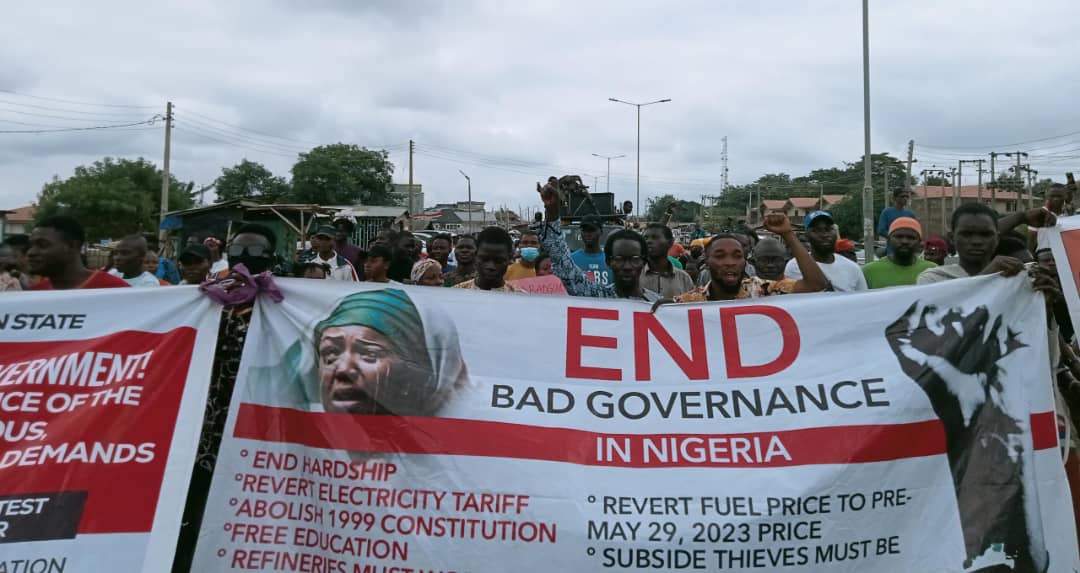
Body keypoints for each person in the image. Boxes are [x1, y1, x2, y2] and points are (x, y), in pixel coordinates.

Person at [314, 289, 468, 417]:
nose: (343, 370)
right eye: (331, 354)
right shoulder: (304, 436)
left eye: (370, 355)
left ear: (419, 371)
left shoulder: (463, 440)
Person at [537, 180, 658, 301]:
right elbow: (562, 262)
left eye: (634, 259)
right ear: (609, 261)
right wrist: (552, 212)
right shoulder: (598, 297)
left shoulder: (658, 305)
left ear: (644, 261)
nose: (627, 266)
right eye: (619, 259)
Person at [675, 214, 828, 302]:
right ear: (706, 262)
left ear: (745, 261)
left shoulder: (763, 289)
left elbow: (816, 285)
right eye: (720, 256)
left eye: (737, 256)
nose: (730, 262)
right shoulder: (689, 302)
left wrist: (787, 234)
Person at [917, 203, 1055, 284]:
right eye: (966, 234)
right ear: (952, 238)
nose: (976, 241)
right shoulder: (932, 279)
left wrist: (1046, 309)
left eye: (986, 234)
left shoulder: (1015, 280)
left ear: (997, 238)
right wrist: (986, 277)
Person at [29, 216, 128, 290]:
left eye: (42, 244)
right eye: (30, 245)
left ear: (72, 246)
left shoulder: (116, 290)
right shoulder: (35, 293)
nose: (31, 252)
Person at [785, 211, 866, 292]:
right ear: (806, 236)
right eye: (816, 230)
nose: (824, 235)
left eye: (828, 229)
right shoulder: (794, 266)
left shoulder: (852, 268)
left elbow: (862, 301)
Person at [862, 217, 937, 289]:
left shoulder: (932, 270)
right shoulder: (869, 271)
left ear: (919, 242)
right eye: (899, 237)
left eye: (911, 238)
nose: (905, 241)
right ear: (889, 240)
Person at [454, 227, 524, 292]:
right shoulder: (456, 294)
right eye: (484, 259)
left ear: (509, 259)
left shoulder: (521, 298)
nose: (491, 266)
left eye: (498, 261)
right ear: (475, 256)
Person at [640, 223, 694, 298]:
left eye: (655, 237)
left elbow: (691, 306)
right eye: (645, 238)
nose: (649, 241)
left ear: (670, 242)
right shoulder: (636, 276)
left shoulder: (684, 278)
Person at [571, 216, 611, 286]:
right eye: (584, 230)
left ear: (601, 232)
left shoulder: (610, 260)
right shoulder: (571, 260)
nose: (588, 234)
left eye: (592, 230)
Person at [877, 189, 917, 254]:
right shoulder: (887, 212)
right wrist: (896, 238)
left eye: (907, 197)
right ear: (895, 198)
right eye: (902, 196)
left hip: (908, 250)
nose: (905, 198)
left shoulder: (910, 214)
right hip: (892, 251)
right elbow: (881, 230)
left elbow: (915, 231)